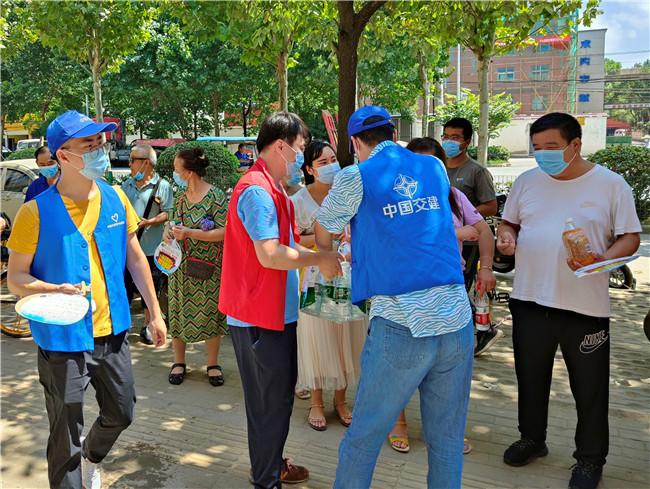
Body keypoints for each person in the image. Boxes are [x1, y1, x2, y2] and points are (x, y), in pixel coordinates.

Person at [6, 110, 166, 489]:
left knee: (122, 411)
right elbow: (15, 279)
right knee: (65, 433)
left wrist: (155, 313)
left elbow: (135, 258)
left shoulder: (115, 198)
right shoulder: (34, 212)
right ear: (63, 155)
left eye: (100, 142)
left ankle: (91, 457)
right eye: (88, 144)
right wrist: (50, 289)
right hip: (62, 338)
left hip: (112, 332)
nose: (99, 150)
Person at [315, 106, 474, 489]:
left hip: (402, 321)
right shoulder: (433, 166)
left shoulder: (355, 175)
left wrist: (327, 256)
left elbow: (324, 230)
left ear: (355, 143)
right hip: (456, 318)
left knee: (364, 438)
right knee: (447, 441)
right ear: (393, 134)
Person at [497, 112, 641, 489]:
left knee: (589, 388)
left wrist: (603, 260)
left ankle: (590, 460)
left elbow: (630, 236)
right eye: (537, 147)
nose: (542, 154)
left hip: (585, 306)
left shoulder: (611, 184)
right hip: (529, 298)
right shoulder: (526, 182)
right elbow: (510, 223)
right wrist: (506, 236)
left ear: (575, 145)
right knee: (530, 377)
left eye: (552, 147)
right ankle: (532, 438)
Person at [219, 111, 344, 489]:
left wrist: (322, 254)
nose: (300, 157)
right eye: (300, 149)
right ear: (280, 146)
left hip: (275, 311)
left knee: (276, 402)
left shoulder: (275, 190)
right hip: (259, 314)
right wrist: (319, 259)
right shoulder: (257, 191)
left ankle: (270, 465)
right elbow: (271, 254)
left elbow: (288, 246)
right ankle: (266, 478)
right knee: (269, 405)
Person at [387, 137, 496, 455]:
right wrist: (454, 233)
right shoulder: (395, 197)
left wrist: (486, 267)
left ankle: (446, 429)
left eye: (431, 163)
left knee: (449, 365)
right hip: (406, 289)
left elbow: (483, 231)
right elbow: (398, 240)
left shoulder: (453, 196)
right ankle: (398, 422)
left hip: (449, 288)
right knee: (401, 361)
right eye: (416, 162)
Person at [291, 140, 367, 432]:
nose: (331, 166)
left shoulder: (349, 193)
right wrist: (325, 239)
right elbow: (290, 240)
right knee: (316, 339)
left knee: (345, 337)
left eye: (333, 159)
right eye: (322, 162)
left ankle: (341, 400)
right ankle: (316, 402)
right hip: (312, 278)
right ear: (309, 169)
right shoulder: (298, 201)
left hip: (348, 277)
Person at [164, 147, 229, 387]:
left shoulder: (216, 196)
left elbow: (225, 232)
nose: (175, 173)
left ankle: (213, 364)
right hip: (179, 268)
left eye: (177, 169)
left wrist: (190, 233)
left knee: (210, 313)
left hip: (208, 267)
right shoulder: (180, 197)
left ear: (189, 172)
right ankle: (178, 362)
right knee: (178, 312)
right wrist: (168, 231)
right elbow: (171, 222)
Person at [442, 117, 501, 355]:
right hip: (443, 243)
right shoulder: (438, 167)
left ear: (467, 142)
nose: (449, 141)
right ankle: (480, 330)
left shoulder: (476, 171)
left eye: (455, 138)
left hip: (469, 240)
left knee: (462, 287)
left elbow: (491, 206)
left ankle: (479, 331)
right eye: (445, 136)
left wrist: (465, 215)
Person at [122, 144, 173, 344]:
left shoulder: (163, 186)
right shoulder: (127, 185)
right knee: (125, 287)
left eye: (133, 160)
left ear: (146, 163)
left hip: (152, 249)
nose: (129, 164)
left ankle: (148, 324)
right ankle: (123, 326)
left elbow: (168, 212)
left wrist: (149, 222)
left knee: (150, 287)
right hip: (128, 249)